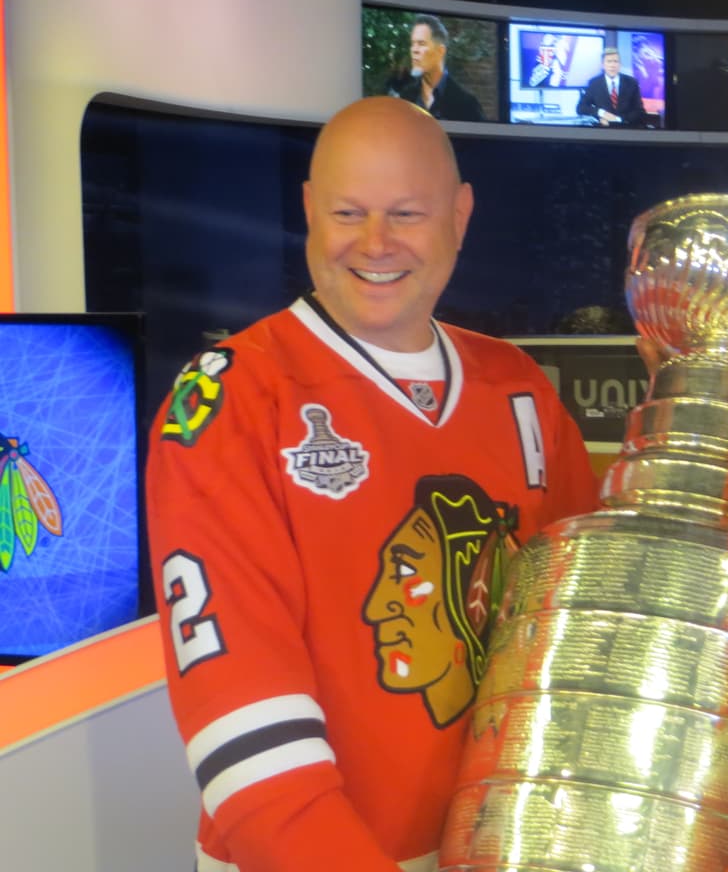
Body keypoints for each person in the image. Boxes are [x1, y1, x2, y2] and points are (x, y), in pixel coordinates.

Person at [147, 96, 598, 872]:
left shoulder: (519, 388)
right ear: (308, 210)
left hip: (502, 846)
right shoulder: (233, 399)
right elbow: (241, 719)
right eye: (349, 212)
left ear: (460, 214)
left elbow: (578, 638)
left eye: (407, 214)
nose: (376, 244)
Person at [386, 13, 485, 121]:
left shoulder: (466, 104)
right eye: (413, 43)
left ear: (440, 51)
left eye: (421, 43)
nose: (414, 50)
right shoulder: (405, 99)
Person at [576, 47, 646, 126]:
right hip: (603, 130)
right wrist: (601, 113)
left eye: (616, 61)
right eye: (609, 62)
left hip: (626, 128)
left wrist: (618, 119)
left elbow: (640, 111)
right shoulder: (594, 83)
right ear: (603, 65)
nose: (612, 65)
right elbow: (581, 108)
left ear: (620, 64)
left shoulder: (631, 82)